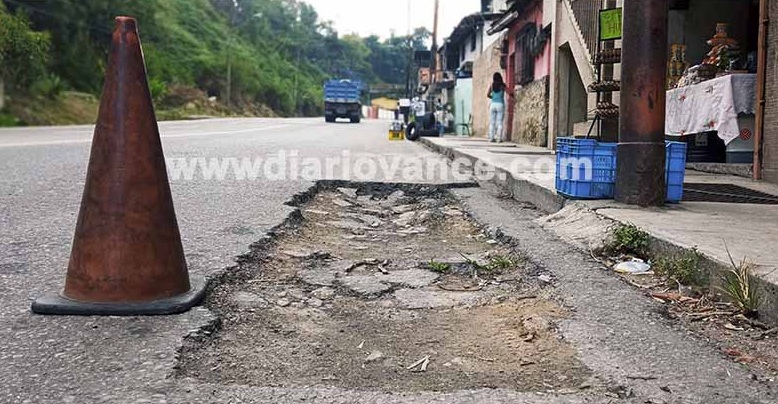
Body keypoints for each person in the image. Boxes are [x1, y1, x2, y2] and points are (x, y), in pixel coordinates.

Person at [487, 72, 510, 143]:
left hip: (493, 104)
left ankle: (491, 138)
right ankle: (499, 138)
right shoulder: (502, 86)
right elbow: (509, 92)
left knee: (492, 122)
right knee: (500, 122)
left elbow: (487, 95)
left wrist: (493, 97)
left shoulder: (492, 85)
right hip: (500, 104)